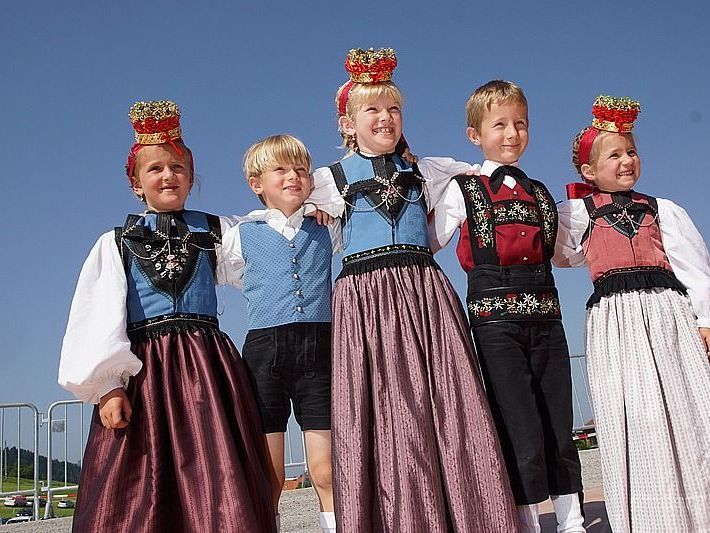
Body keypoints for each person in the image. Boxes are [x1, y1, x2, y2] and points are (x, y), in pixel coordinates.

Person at [310, 48, 519, 532]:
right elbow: (284, 206)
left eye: (393, 109)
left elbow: (479, 171)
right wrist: (310, 211)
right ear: (348, 123)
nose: (385, 118)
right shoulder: (327, 180)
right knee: (382, 408)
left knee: (446, 402)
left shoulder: (428, 169)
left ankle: (471, 515)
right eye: (372, 110)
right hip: (365, 300)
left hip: (424, 291)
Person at [58, 100, 275, 533]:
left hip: (207, 371)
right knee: (139, 480)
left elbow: (268, 240)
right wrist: (106, 388)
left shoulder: (217, 231)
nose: (167, 176)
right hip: (146, 374)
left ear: (191, 177)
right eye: (155, 169)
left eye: (177, 167)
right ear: (136, 183)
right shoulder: (115, 243)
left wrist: (308, 207)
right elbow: (96, 318)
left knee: (215, 474)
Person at [430, 80, 585, 533]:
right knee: (514, 415)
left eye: (520, 123)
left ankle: (572, 519)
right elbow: (430, 240)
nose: (512, 133)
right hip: (494, 319)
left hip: (546, 311)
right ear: (475, 135)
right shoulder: (463, 190)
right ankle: (526, 519)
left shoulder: (542, 194)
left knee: (559, 413)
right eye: (499, 124)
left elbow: (565, 253)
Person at [555, 95, 710, 532]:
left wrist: (704, 318)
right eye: (614, 154)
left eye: (631, 151)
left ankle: (699, 511)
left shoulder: (662, 210)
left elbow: (695, 268)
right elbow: (561, 255)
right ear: (588, 171)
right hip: (615, 323)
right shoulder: (578, 213)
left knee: (689, 406)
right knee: (633, 414)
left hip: (666, 314)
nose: (626, 161)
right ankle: (653, 517)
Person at [220, 134, 339, 533]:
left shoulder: (327, 226)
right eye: (281, 170)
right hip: (264, 353)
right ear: (257, 183)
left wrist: (320, 204)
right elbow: (228, 276)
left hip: (319, 350)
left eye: (301, 170)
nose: (294, 176)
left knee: (325, 469)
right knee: (269, 473)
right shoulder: (240, 234)